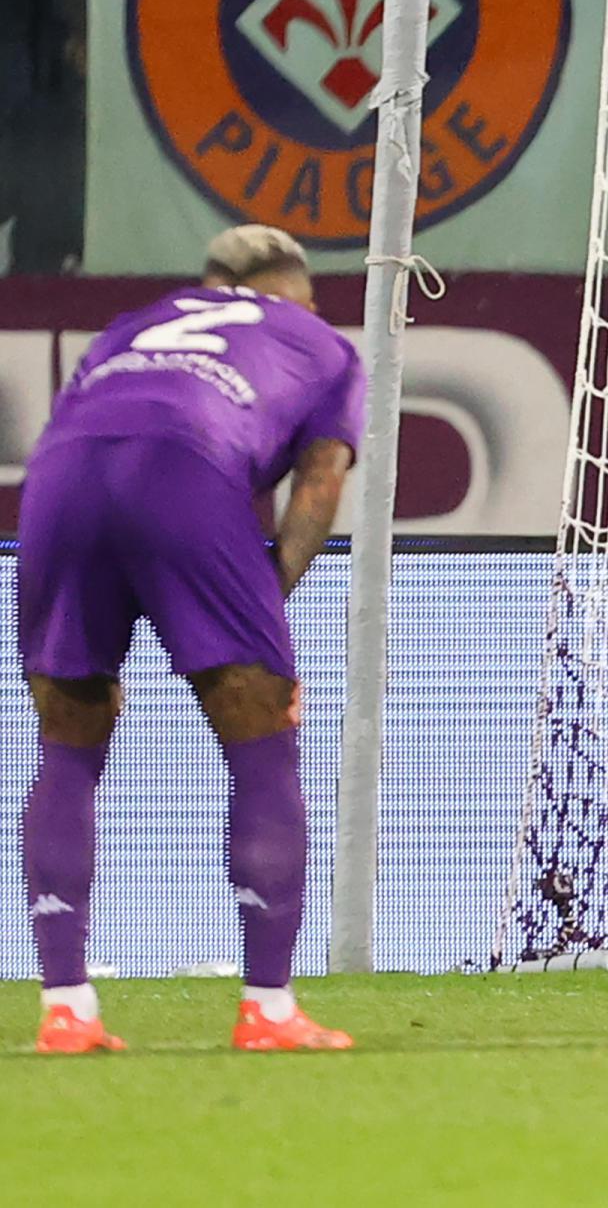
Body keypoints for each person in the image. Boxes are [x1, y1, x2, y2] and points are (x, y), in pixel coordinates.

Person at [16, 224, 362, 1054]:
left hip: (60, 480)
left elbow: (85, 431)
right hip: (187, 470)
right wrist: (260, 612)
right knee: (261, 742)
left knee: (66, 743)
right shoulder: (318, 342)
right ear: (294, 291)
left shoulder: (127, 330)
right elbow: (317, 486)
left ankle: (66, 1008)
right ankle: (269, 1010)